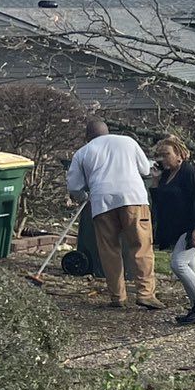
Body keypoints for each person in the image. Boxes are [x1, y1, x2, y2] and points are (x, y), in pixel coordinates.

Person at [65, 118, 161, 309]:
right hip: (133, 198)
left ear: (87, 137)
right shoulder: (128, 142)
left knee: (110, 250)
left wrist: (84, 196)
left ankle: (118, 297)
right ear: (107, 131)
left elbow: (74, 186)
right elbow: (144, 169)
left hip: (102, 202)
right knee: (141, 245)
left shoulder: (83, 152)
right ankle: (145, 294)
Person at [150, 137, 195, 326]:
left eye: (167, 154)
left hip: (193, 225)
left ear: (179, 154)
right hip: (177, 226)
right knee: (189, 266)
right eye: (160, 155)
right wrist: (155, 181)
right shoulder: (167, 175)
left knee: (179, 264)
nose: (164, 159)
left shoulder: (189, 172)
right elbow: (160, 202)